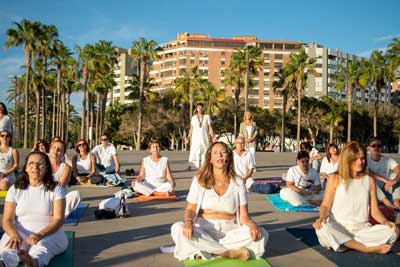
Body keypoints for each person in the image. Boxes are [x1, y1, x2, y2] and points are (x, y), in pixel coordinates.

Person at [171, 142, 268, 261]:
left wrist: (251, 224)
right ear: (210, 159)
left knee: (262, 233)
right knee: (178, 228)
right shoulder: (199, 179)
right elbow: (190, 209)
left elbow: (243, 216)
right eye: (215, 153)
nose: (219, 156)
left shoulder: (238, 182)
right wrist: (188, 221)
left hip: (230, 232)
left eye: (223, 152)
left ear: (228, 157)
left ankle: (209, 251)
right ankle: (227, 253)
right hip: (203, 229)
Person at [313, 141, 399, 254]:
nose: (360, 162)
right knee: (323, 227)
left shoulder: (369, 180)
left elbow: (374, 211)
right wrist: (322, 217)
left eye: (363, 158)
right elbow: (325, 205)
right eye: (356, 159)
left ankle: (343, 243)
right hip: (338, 226)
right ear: (347, 160)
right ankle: (365, 248)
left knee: (392, 231)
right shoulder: (335, 178)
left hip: (362, 230)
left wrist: (385, 221)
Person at [0, 151, 68, 267]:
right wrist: (14, 234)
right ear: (26, 168)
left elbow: (58, 219)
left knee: (41, 247)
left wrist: (40, 234)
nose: (35, 167)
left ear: (46, 168)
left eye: (40, 164)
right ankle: (3, 263)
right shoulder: (15, 189)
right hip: (19, 232)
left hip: (49, 233)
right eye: (31, 163)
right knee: (9, 248)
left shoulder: (56, 188)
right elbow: (7, 220)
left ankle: (32, 262)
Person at [49, 140, 81, 217]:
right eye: (54, 148)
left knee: (76, 194)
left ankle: (59, 217)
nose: (56, 150)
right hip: (43, 197)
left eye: (59, 150)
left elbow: (60, 186)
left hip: (58, 199)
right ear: (49, 150)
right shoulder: (42, 164)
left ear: (63, 154)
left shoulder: (66, 167)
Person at [367, 137, 400, 210]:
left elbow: (399, 171)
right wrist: (386, 180)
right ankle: (386, 202)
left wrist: (393, 181)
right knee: (369, 179)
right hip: (372, 190)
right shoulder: (365, 159)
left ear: (382, 148)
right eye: (373, 146)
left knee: (395, 175)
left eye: (379, 146)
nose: (376, 148)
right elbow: (368, 172)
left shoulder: (388, 160)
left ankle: (396, 201)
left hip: (386, 188)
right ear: (369, 148)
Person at [184, 103, 215, 170]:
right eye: (198, 108)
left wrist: (213, 137)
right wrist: (188, 137)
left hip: (205, 138)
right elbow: (191, 129)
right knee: (193, 151)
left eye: (201, 108)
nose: (200, 109)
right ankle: (190, 166)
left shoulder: (207, 117)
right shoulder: (194, 118)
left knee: (206, 151)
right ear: (196, 109)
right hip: (196, 138)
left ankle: (205, 166)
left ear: (203, 109)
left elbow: (210, 128)